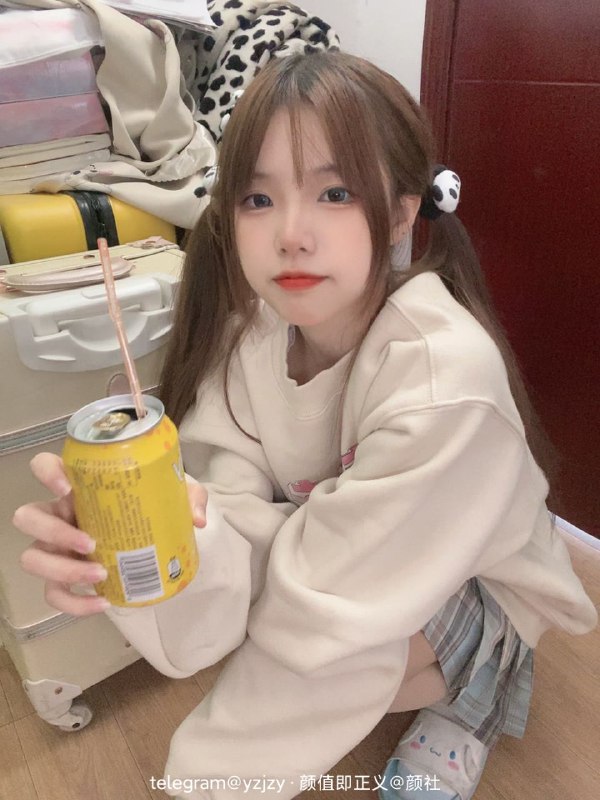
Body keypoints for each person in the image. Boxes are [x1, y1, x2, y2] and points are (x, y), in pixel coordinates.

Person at [13, 51, 597, 800]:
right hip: (357, 552)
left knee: (351, 651)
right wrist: (154, 538)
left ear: (401, 212)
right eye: (258, 199)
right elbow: (233, 516)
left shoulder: (442, 381)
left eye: (336, 192)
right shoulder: (251, 338)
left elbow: (329, 614)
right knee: (293, 622)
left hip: (480, 580)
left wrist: (204, 784)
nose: (291, 234)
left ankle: (471, 702)